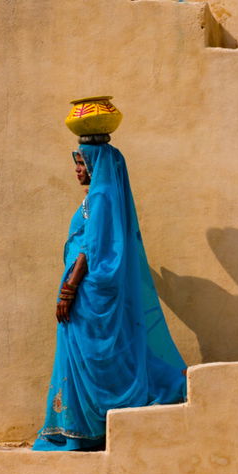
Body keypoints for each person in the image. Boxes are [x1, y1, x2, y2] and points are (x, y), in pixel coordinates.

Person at [33, 140, 187, 450]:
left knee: (96, 356)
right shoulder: (97, 197)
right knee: (94, 356)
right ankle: (89, 426)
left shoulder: (101, 197)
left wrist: (69, 290)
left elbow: (91, 248)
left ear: (95, 165)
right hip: (88, 290)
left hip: (87, 292)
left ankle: (94, 425)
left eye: (81, 163)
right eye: (76, 163)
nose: (77, 170)